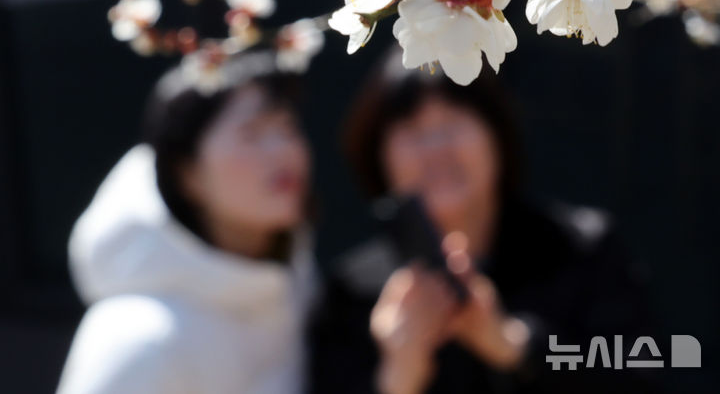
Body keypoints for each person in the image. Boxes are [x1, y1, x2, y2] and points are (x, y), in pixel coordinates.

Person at [311, 50, 662, 394]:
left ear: (496, 132)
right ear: (378, 154)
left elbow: (640, 370)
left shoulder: (581, 249)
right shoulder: (354, 294)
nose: (436, 147)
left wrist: (514, 344)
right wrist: (400, 374)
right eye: (411, 128)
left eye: (453, 121)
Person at [56, 49, 315, 394]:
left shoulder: (297, 285)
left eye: (287, 128)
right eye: (251, 134)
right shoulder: (137, 336)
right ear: (187, 173)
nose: (282, 149)